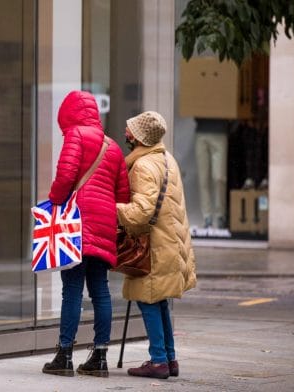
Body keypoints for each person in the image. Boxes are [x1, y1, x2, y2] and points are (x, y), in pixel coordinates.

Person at [42, 91, 130, 377]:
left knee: (72, 290)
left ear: (68, 113)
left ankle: (64, 354)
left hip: (76, 222)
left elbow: (66, 176)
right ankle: (100, 357)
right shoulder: (114, 146)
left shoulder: (76, 136)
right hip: (103, 222)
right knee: (101, 290)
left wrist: (54, 201)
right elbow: (123, 194)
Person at [117, 111, 197, 379]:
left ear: (139, 137)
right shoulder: (167, 159)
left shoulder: (142, 166)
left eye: (130, 131)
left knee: (148, 299)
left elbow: (140, 212)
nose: (126, 134)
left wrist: (112, 208)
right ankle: (170, 358)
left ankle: (159, 360)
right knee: (159, 300)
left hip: (154, 247)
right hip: (170, 242)